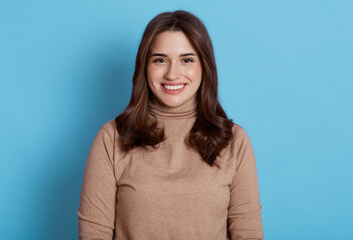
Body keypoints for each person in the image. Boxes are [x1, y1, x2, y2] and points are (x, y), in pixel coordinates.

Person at [77, 10, 264, 240]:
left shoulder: (235, 141)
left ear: (204, 67)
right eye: (160, 60)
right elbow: (94, 234)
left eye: (186, 60)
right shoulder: (112, 138)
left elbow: (249, 235)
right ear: (145, 67)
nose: (172, 74)